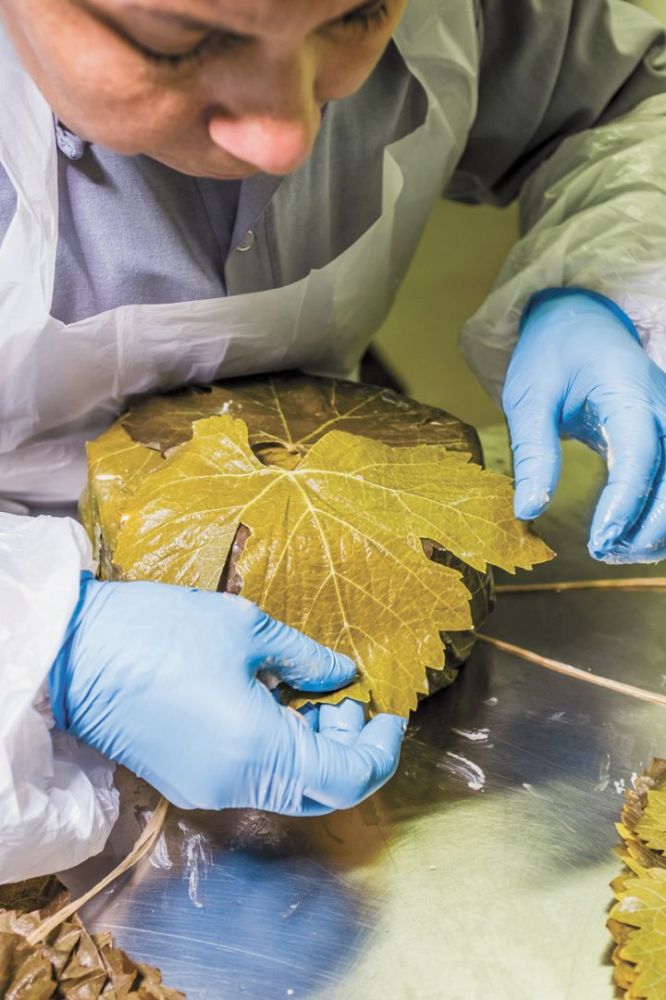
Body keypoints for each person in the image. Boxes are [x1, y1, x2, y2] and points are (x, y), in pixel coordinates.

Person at [0, 0, 665, 883]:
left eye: (355, 16)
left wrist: (613, 277)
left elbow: (631, 93)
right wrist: (47, 647)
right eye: (176, 42)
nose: (284, 135)